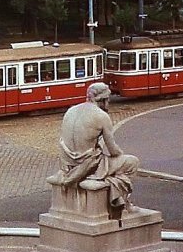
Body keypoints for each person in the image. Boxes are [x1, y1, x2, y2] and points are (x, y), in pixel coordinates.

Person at [57, 82, 139, 212]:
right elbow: (113, 150)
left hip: (67, 164)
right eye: (108, 100)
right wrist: (120, 154)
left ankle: (116, 196)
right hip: (88, 165)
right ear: (104, 100)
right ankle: (121, 203)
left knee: (107, 161)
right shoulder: (102, 116)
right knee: (132, 162)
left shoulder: (71, 110)